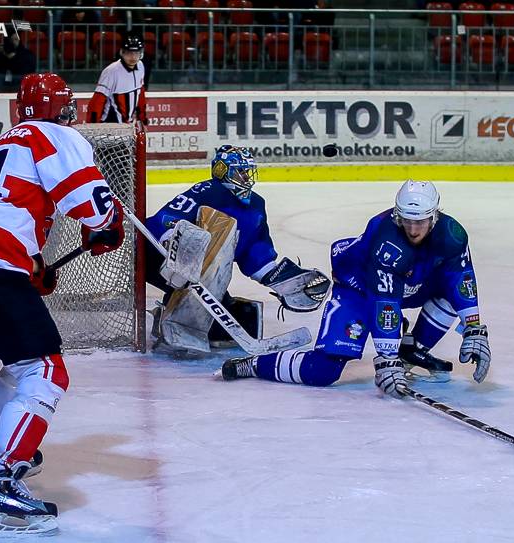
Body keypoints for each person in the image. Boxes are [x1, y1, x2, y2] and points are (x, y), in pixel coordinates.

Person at [0, 73, 125, 535]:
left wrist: (33, 262)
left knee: (22, 362)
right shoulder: (56, 135)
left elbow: (3, 205)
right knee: (46, 369)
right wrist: (107, 223)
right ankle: (1, 484)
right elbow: (94, 207)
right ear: (62, 108)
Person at [221, 180, 491, 394]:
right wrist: (385, 359)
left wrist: (475, 327)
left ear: (435, 216)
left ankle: (411, 348)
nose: (412, 229)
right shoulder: (387, 240)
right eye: (406, 220)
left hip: (406, 284)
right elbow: (385, 302)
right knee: (322, 371)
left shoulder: (452, 234)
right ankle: (254, 365)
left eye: (419, 221)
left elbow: (462, 279)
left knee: (448, 293)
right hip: (359, 289)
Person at [144, 145, 330, 355]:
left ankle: (167, 316)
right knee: (194, 301)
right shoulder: (208, 191)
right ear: (222, 170)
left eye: (247, 171)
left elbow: (254, 249)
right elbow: (163, 220)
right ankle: (169, 324)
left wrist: (277, 277)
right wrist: (174, 243)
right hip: (158, 256)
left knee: (225, 323)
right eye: (239, 171)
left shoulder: (256, 205)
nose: (245, 177)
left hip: (203, 272)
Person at [86, 32, 148, 125]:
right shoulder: (111, 71)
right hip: (110, 126)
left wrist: (142, 119)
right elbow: (97, 102)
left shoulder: (140, 66)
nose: (133, 57)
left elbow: (140, 94)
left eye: (136, 53)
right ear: (122, 52)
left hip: (128, 125)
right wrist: (92, 126)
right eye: (129, 53)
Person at [0, 27, 37, 93]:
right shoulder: (2, 54)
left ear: (20, 41)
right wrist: (0, 54)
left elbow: (28, 70)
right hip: (4, 81)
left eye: (15, 40)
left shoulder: (26, 54)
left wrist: (14, 58)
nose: (13, 42)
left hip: (19, 80)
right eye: (11, 40)